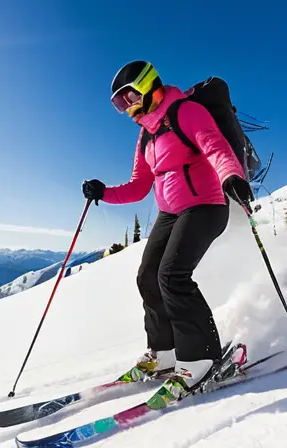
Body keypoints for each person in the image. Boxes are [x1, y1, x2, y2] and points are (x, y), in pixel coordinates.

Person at [82, 60, 253, 396]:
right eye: (120, 102)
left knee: (173, 276)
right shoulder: (146, 135)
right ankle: (164, 354)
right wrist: (103, 193)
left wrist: (232, 175)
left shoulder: (186, 112)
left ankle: (200, 359)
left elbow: (215, 147)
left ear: (148, 86)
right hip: (170, 212)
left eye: (128, 96)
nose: (126, 107)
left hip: (205, 205)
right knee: (148, 275)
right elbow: (138, 186)